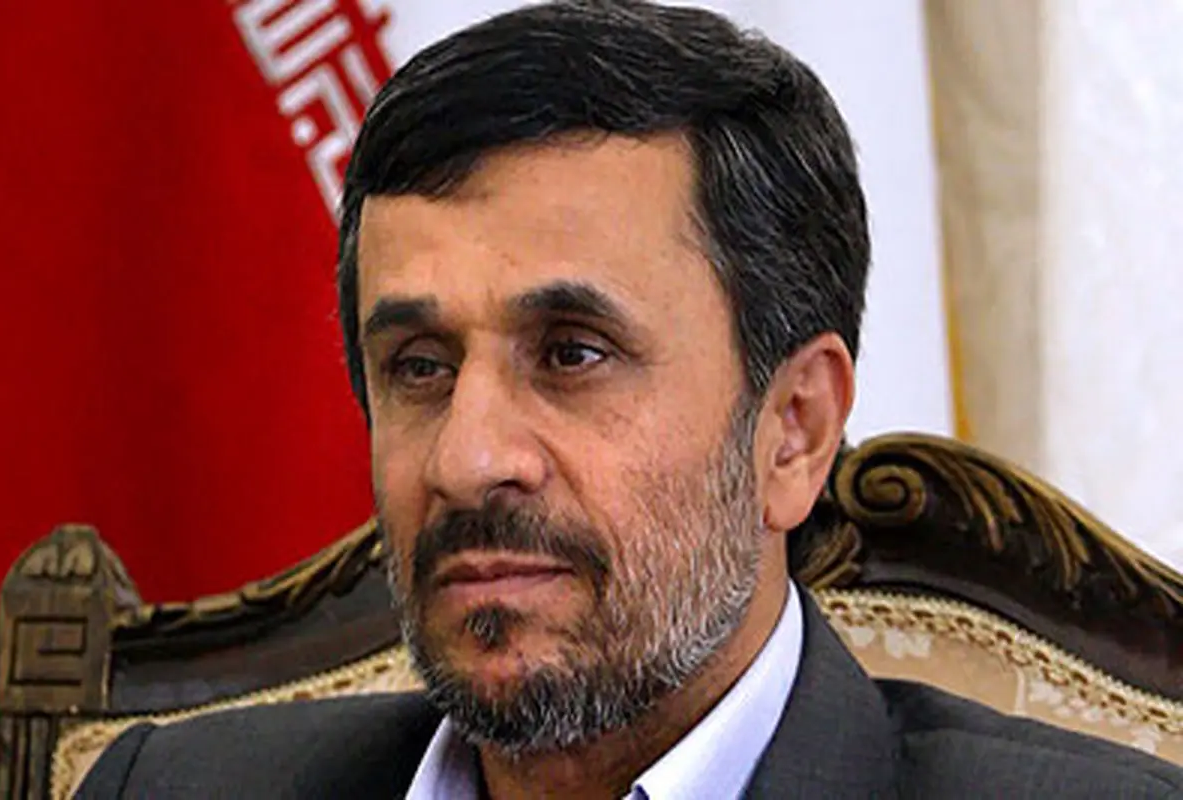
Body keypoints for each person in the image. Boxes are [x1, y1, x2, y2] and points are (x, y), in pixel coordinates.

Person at [78, 1, 1183, 797]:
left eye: (572, 353)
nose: (467, 459)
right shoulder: (168, 785)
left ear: (793, 430)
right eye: (419, 365)